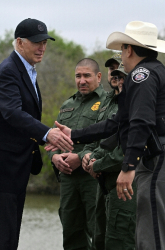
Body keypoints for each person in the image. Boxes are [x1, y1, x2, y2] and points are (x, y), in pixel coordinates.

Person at [46, 21, 165, 250]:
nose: (121, 57)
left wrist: (128, 168)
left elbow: (141, 123)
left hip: (162, 161)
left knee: (151, 243)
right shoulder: (156, 71)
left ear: (129, 49)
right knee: (161, 241)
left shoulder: (141, 75)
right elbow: (118, 123)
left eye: (121, 51)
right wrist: (75, 134)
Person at [0, 18, 73, 250]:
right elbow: (12, 114)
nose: (42, 47)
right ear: (19, 42)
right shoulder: (8, 71)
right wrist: (48, 133)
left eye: (45, 42)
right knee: (3, 241)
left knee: (9, 240)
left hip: (16, 168)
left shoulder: (27, 71)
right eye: (36, 42)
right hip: (0, 168)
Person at [48, 58, 107, 250]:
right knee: (71, 233)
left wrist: (80, 157)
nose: (82, 80)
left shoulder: (107, 103)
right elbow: (54, 139)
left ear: (98, 77)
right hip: (68, 180)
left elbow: (109, 140)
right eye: (78, 76)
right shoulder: (67, 104)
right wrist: (55, 157)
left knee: (98, 231)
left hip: (94, 179)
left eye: (87, 76)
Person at [81, 56, 136, 250]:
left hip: (125, 184)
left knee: (120, 241)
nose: (114, 74)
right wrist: (88, 156)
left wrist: (97, 164)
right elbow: (99, 137)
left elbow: (125, 149)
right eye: (111, 69)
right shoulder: (104, 102)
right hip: (103, 183)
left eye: (119, 70)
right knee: (100, 240)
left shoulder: (135, 103)